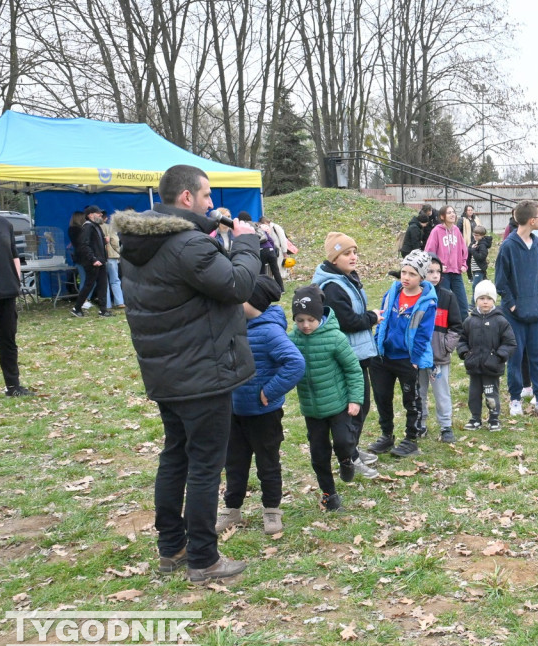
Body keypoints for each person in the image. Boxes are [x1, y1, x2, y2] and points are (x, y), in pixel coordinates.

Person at [114, 163, 260, 583]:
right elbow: (236, 285)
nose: (212, 203)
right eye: (207, 196)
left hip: (167, 372)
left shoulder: (140, 242)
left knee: (175, 456)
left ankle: (171, 546)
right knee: (203, 466)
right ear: (185, 198)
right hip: (202, 374)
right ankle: (203, 558)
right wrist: (246, 245)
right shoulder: (187, 245)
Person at [217, 276, 304, 536]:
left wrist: (270, 391)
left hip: (264, 414)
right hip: (234, 411)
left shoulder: (269, 331)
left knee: (268, 463)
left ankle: (271, 510)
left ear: (250, 301)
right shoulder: (233, 325)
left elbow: (295, 363)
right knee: (234, 463)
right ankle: (232, 509)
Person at [312, 232, 382, 479]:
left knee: (362, 406)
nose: (353, 257)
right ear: (334, 258)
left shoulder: (345, 278)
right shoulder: (332, 286)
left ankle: (352, 449)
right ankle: (349, 458)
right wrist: (373, 317)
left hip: (357, 354)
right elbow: (348, 321)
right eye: (346, 253)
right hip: (346, 357)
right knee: (354, 409)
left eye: (354, 252)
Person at [289, 285, 364, 512]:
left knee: (343, 441)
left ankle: (346, 460)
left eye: (310, 319)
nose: (305, 325)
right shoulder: (293, 340)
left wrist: (355, 399)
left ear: (319, 316)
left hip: (338, 404)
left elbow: (353, 369)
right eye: (300, 320)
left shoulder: (335, 338)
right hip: (312, 410)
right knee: (318, 454)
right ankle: (329, 495)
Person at [367, 250, 438, 458]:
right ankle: (386, 435)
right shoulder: (392, 293)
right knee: (382, 397)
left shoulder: (427, 302)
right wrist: (376, 344)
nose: (406, 277)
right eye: (403, 272)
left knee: (411, 399)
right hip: (382, 356)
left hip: (406, 359)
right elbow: (383, 319)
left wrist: (415, 360)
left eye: (412, 274)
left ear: (422, 277)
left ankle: (411, 438)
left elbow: (424, 334)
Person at [495, 199, 538, 419]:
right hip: (514, 316)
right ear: (531, 220)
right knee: (516, 357)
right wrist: (512, 305)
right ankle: (515, 399)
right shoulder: (508, 247)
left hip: (536, 313)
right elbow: (501, 282)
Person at [458, 280, 517, 432]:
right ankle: (475, 418)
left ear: (494, 301)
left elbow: (510, 343)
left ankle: (494, 418)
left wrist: (498, 356)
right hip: (474, 366)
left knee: (491, 394)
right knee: (474, 395)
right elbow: (462, 339)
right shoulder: (470, 321)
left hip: (492, 366)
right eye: (482, 298)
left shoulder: (501, 321)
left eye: (489, 299)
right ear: (476, 300)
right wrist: (465, 353)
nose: (485, 302)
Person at [416, 256, 463, 443]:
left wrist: (446, 347)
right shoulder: (415, 296)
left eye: (438, 272)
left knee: (441, 392)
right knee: (419, 391)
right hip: (418, 356)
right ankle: (420, 423)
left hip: (438, 357)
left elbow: (457, 326)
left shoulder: (447, 296)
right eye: (430, 272)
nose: (435, 276)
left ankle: (446, 426)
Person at [0, 209, 32, 396]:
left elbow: (14, 255)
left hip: (5, 292)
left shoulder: (5, 224)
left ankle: (13, 386)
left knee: (8, 341)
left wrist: (16, 281)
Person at [424, 205, 469, 312]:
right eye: (449, 213)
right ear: (442, 216)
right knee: (442, 303)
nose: (452, 214)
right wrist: (438, 266)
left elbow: (464, 249)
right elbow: (429, 252)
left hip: (456, 272)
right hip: (442, 274)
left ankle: (463, 327)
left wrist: (463, 264)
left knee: (463, 305)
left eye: (453, 212)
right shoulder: (436, 231)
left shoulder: (457, 231)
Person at [71, 205, 111, 318]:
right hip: (93, 261)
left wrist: (105, 242)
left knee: (102, 285)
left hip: (100, 260)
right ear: (90, 215)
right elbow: (84, 245)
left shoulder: (96, 226)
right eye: (98, 213)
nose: (101, 214)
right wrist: (93, 259)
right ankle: (77, 308)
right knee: (89, 285)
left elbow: (95, 244)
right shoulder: (88, 227)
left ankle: (103, 310)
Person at [253, 212, 284, 291]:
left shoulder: (255, 231)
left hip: (261, 251)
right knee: (275, 270)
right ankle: (281, 289)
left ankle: (264, 289)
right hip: (270, 251)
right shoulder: (265, 232)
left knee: (262, 272)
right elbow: (271, 241)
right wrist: (273, 250)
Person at [102, 215, 125, 309]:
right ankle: (119, 302)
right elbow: (115, 241)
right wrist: (120, 253)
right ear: (105, 218)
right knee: (115, 280)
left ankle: (107, 304)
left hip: (101, 257)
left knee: (104, 282)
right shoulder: (109, 228)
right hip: (111, 256)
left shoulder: (94, 227)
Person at [467, 224, 492, 304]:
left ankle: (473, 304)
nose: (475, 237)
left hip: (479, 269)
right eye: (474, 235)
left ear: (482, 236)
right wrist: (472, 248)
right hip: (474, 269)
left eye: (477, 235)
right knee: (480, 286)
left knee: (476, 287)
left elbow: (481, 257)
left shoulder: (482, 245)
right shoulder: (475, 242)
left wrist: (473, 250)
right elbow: (469, 249)